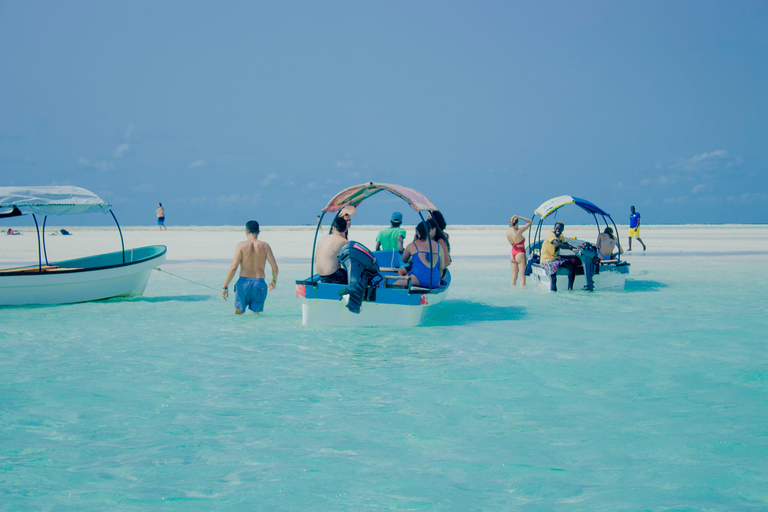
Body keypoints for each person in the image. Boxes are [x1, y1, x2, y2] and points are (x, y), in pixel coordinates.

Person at [222, 220, 278, 314]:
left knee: (238, 316)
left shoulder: (241, 245)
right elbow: (275, 268)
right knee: (256, 316)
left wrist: (225, 286)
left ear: (246, 231)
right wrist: (274, 281)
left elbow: (233, 267)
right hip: (259, 283)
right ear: (258, 232)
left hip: (243, 283)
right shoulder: (265, 246)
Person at [394, 221, 445, 288]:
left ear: (417, 232)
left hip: (418, 278)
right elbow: (441, 268)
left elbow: (404, 260)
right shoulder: (439, 247)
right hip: (434, 281)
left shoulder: (412, 245)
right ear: (429, 231)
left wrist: (411, 260)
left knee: (393, 285)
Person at [540, 222, 580, 292]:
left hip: (556, 259)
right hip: (546, 260)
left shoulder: (561, 236)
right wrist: (570, 248)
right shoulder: (550, 234)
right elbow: (558, 244)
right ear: (554, 228)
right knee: (553, 275)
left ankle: (570, 289)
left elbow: (566, 244)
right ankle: (553, 293)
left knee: (572, 266)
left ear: (563, 230)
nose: (558, 230)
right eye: (557, 228)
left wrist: (575, 249)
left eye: (560, 229)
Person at [315, 216, 349, 283]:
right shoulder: (344, 242)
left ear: (333, 228)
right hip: (333, 277)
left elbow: (315, 259)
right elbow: (348, 263)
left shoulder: (322, 239)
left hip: (321, 276)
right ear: (346, 229)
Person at [506, 215, 532, 286]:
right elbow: (530, 221)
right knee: (522, 277)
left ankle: (512, 290)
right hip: (520, 253)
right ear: (517, 223)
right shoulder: (519, 232)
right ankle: (522, 292)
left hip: (513, 254)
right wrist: (519, 217)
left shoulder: (508, 233)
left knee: (513, 277)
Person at [428, 210, 451, 276]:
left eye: (429, 217)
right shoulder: (444, 235)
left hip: (440, 270)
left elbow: (447, 261)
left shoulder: (440, 240)